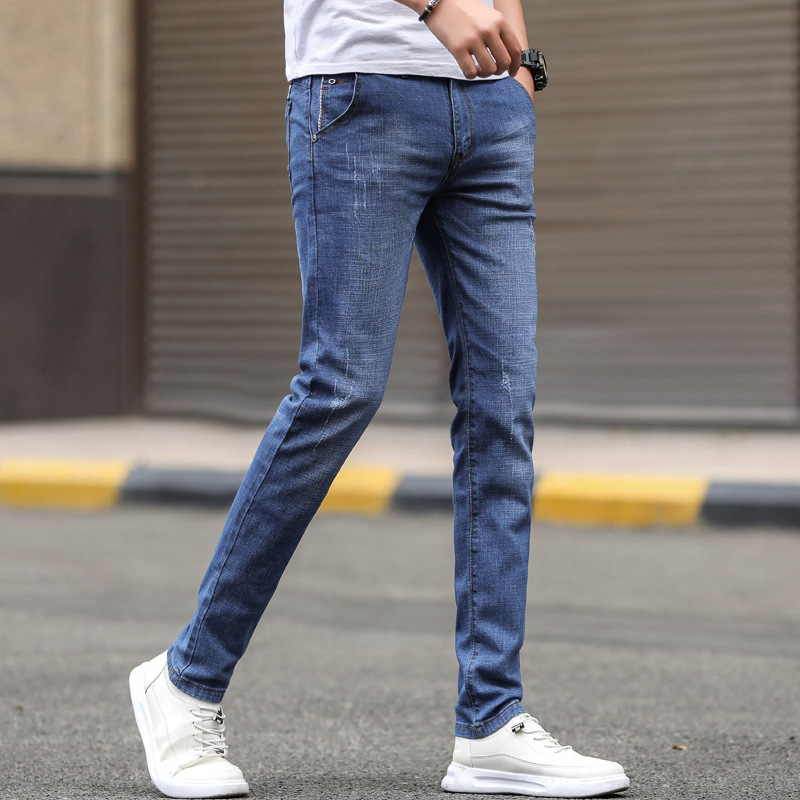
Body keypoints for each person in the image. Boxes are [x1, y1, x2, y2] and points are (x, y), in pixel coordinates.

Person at [129, 0, 631, 797]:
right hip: (361, 92)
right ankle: (186, 679)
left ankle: (491, 722)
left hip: (491, 108)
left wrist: (520, 66)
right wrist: (434, 6)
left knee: (504, 408)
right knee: (340, 388)